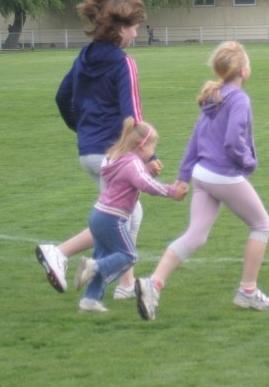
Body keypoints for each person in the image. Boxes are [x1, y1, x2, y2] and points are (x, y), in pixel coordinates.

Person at [135, 41, 269, 321]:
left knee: (196, 235)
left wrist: (183, 177)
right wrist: (248, 162)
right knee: (261, 225)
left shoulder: (214, 95)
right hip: (223, 175)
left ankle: (154, 283)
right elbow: (233, 141)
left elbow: (195, 140)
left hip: (202, 175)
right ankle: (247, 291)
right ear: (243, 71)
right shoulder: (238, 99)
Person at [36, 0, 156, 299]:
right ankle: (59, 253)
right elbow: (134, 118)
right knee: (118, 218)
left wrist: (82, 130)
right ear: (120, 29)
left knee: (127, 213)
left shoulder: (84, 56)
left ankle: (124, 287)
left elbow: (62, 98)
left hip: (88, 151)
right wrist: (148, 154)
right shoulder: (123, 63)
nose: (136, 32)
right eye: (134, 26)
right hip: (111, 154)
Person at [75, 118, 187, 313]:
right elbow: (145, 184)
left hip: (98, 214)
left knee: (104, 257)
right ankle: (90, 267)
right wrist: (172, 191)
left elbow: (129, 180)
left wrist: (146, 171)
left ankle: (89, 300)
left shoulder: (115, 157)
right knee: (128, 255)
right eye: (153, 146)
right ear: (142, 146)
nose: (154, 152)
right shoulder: (133, 162)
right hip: (112, 218)